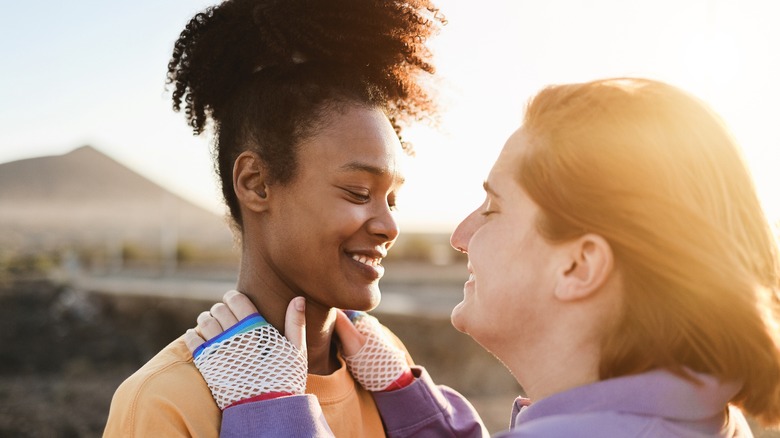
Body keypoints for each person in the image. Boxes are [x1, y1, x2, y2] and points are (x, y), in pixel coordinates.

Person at [185, 77, 780, 437]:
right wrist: (409, 401)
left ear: (578, 267)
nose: (461, 235)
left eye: (492, 208)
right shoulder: (700, 416)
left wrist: (268, 414)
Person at [103, 0, 448, 436]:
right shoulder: (165, 402)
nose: (389, 226)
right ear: (256, 184)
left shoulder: (387, 373)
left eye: (391, 199)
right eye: (359, 192)